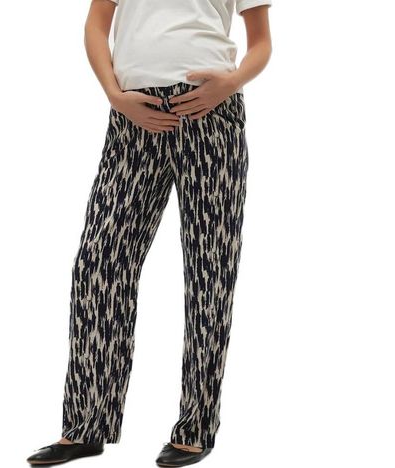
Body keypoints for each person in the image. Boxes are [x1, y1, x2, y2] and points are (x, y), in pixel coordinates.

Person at [26, 0, 272, 466]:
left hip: (210, 114)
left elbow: (260, 43)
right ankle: (86, 425)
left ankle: (195, 428)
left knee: (210, 273)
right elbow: (96, 25)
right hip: (133, 114)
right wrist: (114, 94)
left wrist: (231, 83)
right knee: (99, 264)